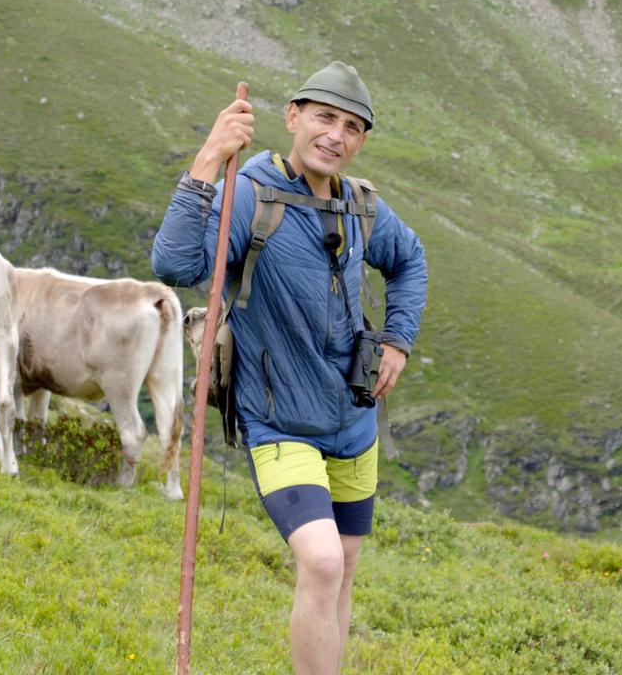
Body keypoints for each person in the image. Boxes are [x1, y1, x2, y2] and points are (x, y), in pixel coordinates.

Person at [151, 62, 427, 674]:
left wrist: (399, 341)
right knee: (323, 563)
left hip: (354, 424)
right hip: (280, 424)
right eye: (325, 117)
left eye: (353, 127)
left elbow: (409, 260)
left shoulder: (361, 207)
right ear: (294, 116)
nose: (337, 135)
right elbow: (174, 264)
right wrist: (207, 159)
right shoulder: (250, 192)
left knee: (344, 569)